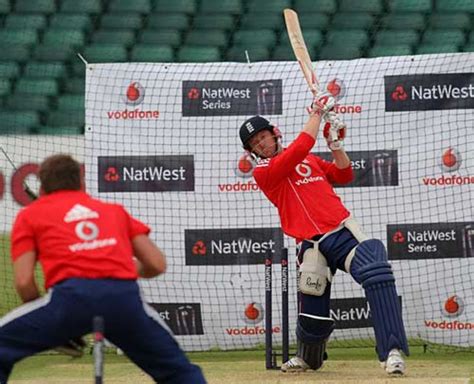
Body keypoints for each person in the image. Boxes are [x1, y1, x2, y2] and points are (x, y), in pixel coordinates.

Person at [239, 93, 409, 375]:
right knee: (313, 311)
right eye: (255, 144)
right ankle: (308, 358)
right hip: (310, 245)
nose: (261, 144)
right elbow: (301, 145)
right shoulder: (264, 172)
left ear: (274, 133)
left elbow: (344, 175)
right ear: (253, 151)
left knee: (377, 273)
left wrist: (336, 145)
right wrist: (317, 113)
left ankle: (391, 351)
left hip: (341, 232)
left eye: (263, 137)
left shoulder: (312, 162)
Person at [0, 154, 206, 384]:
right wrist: (111, 267)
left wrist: (50, 324)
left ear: (43, 186)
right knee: (178, 371)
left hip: (69, 300)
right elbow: (156, 264)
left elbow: (24, 282)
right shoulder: (112, 210)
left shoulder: (29, 215)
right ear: (81, 182)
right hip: (124, 300)